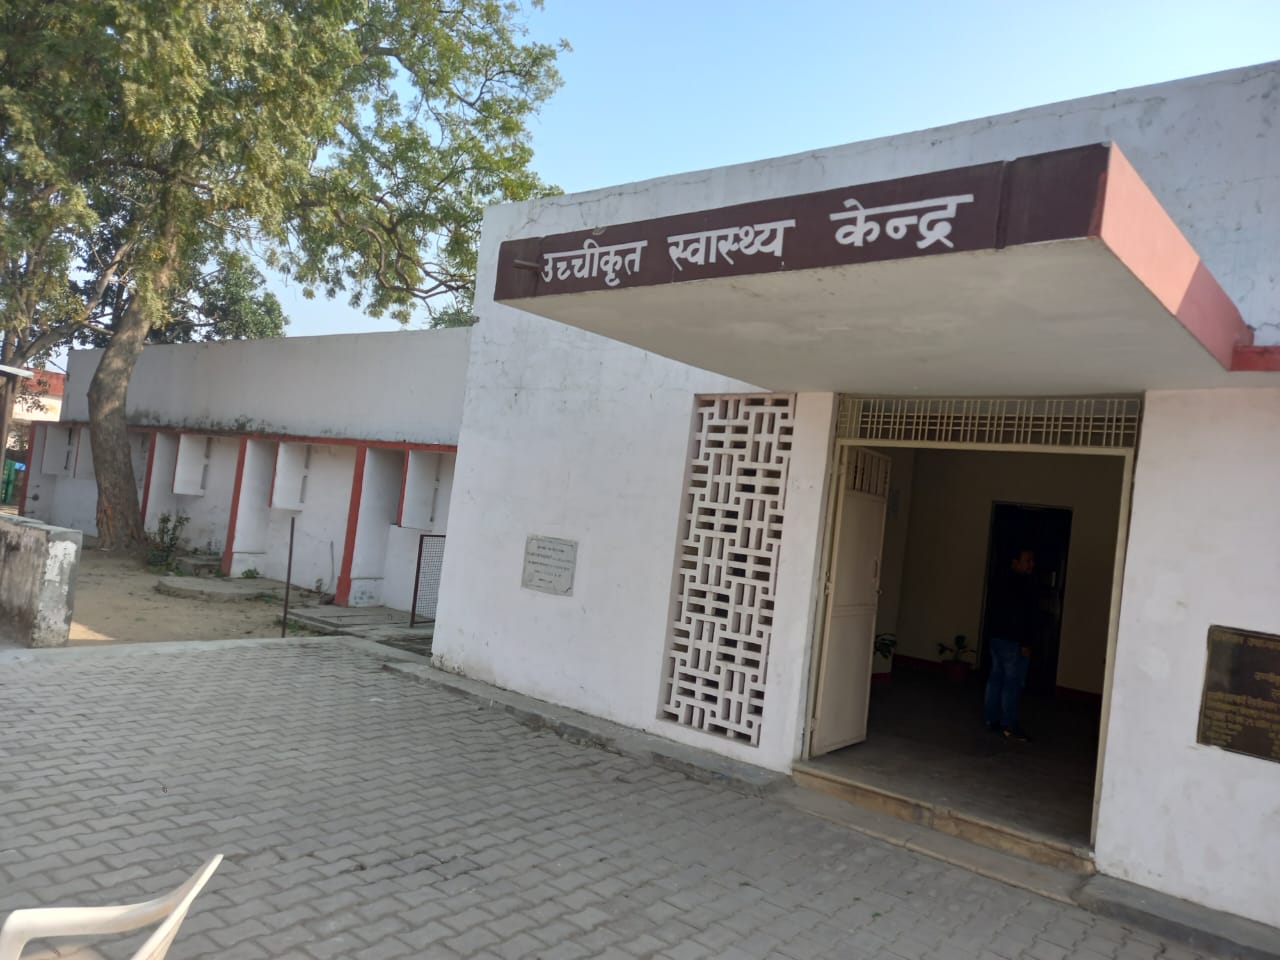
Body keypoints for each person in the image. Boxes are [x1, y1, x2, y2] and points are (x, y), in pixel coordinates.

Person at [983, 547, 1039, 741]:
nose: (1031, 564)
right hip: (1014, 641)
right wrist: (1026, 642)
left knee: (996, 677)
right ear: (1015, 562)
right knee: (1012, 682)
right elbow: (1024, 616)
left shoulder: (998, 580)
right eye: (1027, 560)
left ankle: (991, 719)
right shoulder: (1024, 584)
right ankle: (1009, 724)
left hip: (996, 637)